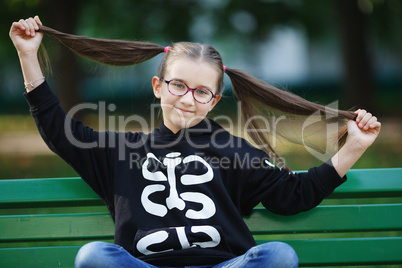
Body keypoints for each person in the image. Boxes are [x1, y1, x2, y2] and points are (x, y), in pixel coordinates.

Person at [9, 16, 381, 268]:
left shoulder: (233, 150)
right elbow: (58, 130)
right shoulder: (118, 152)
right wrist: (29, 55)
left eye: (202, 92)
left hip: (224, 264)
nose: (188, 99)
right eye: (179, 85)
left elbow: (293, 194)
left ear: (215, 100)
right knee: (93, 256)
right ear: (159, 87)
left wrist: (355, 146)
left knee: (278, 256)